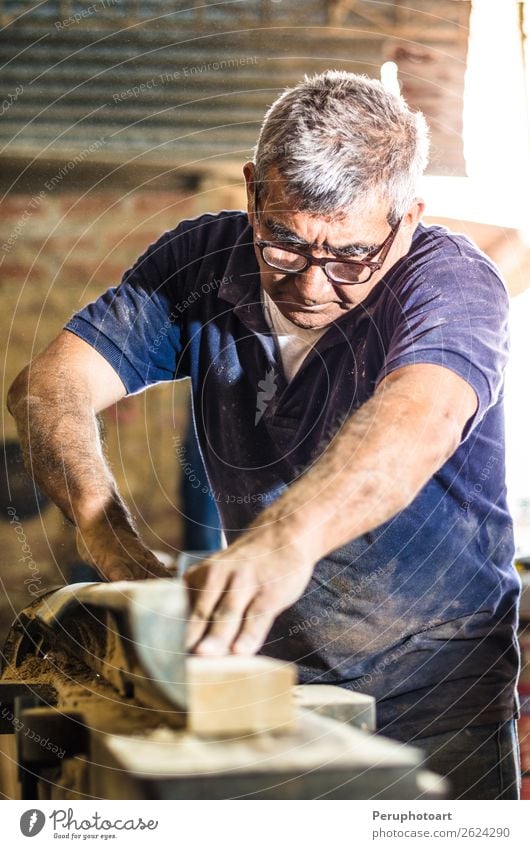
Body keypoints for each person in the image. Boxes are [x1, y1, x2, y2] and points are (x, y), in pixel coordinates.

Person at [8, 70, 521, 799]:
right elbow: (46, 388)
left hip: (441, 711)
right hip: (269, 700)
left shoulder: (451, 283)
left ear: (407, 220)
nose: (311, 285)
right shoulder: (202, 265)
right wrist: (111, 538)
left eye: (349, 257)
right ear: (253, 193)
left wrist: (286, 539)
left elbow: (422, 415)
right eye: (283, 243)